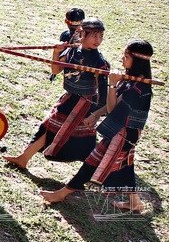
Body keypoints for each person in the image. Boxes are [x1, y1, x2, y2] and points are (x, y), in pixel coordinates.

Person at [40, 41, 154, 213]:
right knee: (125, 165)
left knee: (92, 162)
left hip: (123, 134)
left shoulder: (137, 88)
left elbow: (111, 109)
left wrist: (112, 84)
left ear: (137, 61)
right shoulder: (131, 81)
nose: (122, 59)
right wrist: (95, 113)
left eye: (126, 56)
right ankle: (135, 202)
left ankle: (61, 194)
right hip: (123, 132)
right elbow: (111, 108)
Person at [5, 18, 109, 169]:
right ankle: (23, 158)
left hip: (85, 103)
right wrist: (56, 52)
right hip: (69, 98)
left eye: (100, 36)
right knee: (48, 126)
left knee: (83, 143)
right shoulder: (72, 50)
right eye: (94, 35)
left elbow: (103, 93)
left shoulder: (100, 62)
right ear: (82, 34)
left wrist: (96, 114)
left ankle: (93, 173)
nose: (98, 40)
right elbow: (56, 70)